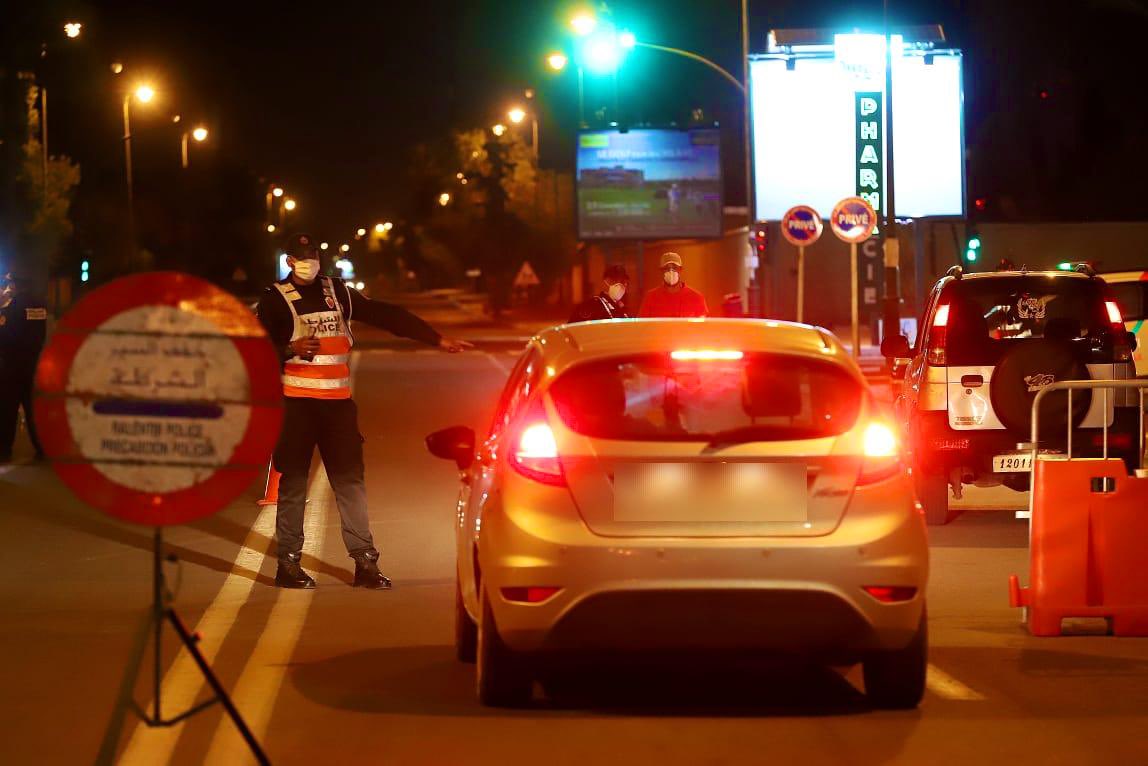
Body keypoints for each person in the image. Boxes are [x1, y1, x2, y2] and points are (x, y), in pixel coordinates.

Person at [256, 233, 472, 589]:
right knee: (294, 487)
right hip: (296, 409)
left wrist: (435, 338)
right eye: (301, 257)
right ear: (290, 261)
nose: (309, 262)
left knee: (350, 485)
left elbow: (384, 314)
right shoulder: (275, 300)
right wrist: (288, 347)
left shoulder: (337, 292)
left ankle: (365, 564)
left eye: (313, 256)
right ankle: (289, 565)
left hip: (338, 409)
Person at [0, 269, 47, 463]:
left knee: (7, 410)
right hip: (33, 365)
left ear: (17, 285)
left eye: (11, 283)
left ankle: (3, 449)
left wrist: (2, 307)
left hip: (12, 367)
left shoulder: (12, 307)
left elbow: (4, 336)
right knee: (33, 410)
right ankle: (42, 448)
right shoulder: (40, 305)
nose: (9, 287)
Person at [639, 252, 708, 318]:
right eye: (666, 268)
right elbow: (641, 326)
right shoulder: (650, 298)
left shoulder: (696, 298)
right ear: (661, 271)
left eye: (675, 268)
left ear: (680, 270)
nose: (671, 271)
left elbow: (704, 327)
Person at [567, 264, 631, 323]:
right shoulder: (592, 305)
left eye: (625, 282)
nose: (623, 285)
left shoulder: (622, 308)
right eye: (619, 281)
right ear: (606, 281)